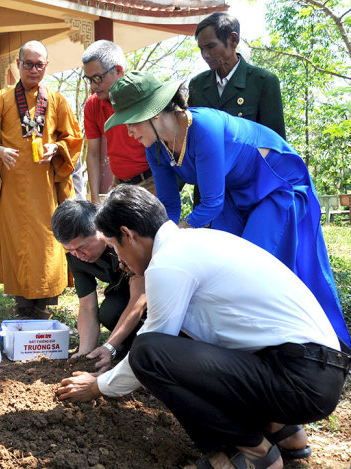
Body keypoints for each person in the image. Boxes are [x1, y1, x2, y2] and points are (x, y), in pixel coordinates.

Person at [57, 185, 350, 469]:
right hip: (314, 369)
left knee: (149, 352)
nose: (120, 263)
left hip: (299, 379)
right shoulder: (197, 241)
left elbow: (152, 349)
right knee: (180, 341)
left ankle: (253, 454)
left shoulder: (167, 264)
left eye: (114, 248)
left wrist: (98, 386)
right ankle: (284, 430)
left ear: (127, 235)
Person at [102, 70, 349, 345]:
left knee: (254, 261)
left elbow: (210, 203)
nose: (128, 132)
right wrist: (158, 243)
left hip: (276, 185)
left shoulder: (203, 126)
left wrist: (170, 240)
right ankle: (234, 341)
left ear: (155, 112)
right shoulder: (155, 148)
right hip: (235, 193)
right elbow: (169, 207)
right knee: (221, 265)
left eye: (131, 122)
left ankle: (300, 342)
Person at [0, 40, 83, 319]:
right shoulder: (1, 99)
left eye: (39, 64)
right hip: (12, 188)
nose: (33, 69)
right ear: (18, 65)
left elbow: (72, 138)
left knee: (46, 241)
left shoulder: (57, 100)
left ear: (46, 66)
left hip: (46, 187)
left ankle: (43, 303)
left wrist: (56, 148)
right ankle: (22, 304)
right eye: (28, 64)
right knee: (16, 241)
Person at [51, 199, 146, 373]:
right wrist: (85, 354)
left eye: (82, 247)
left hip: (156, 290)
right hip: (124, 291)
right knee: (109, 312)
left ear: (99, 230)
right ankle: (131, 346)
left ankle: (149, 347)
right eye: (70, 250)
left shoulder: (124, 238)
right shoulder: (75, 256)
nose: (78, 255)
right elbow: (87, 306)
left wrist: (109, 346)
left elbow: (139, 299)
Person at [188, 12, 285, 139]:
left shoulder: (263, 82)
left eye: (210, 47)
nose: (205, 55)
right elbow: (190, 137)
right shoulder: (198, 85)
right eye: (201, 49)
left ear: (233, 40)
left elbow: (275, 143)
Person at [81, 40, 151, 204]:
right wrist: (95, 199)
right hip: (119, 183)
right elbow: (93, 153)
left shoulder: (141, 95)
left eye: (97, 78)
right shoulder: (93, 105)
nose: (93, 86)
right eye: (89, 79)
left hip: (151, 181)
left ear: (118, 70)